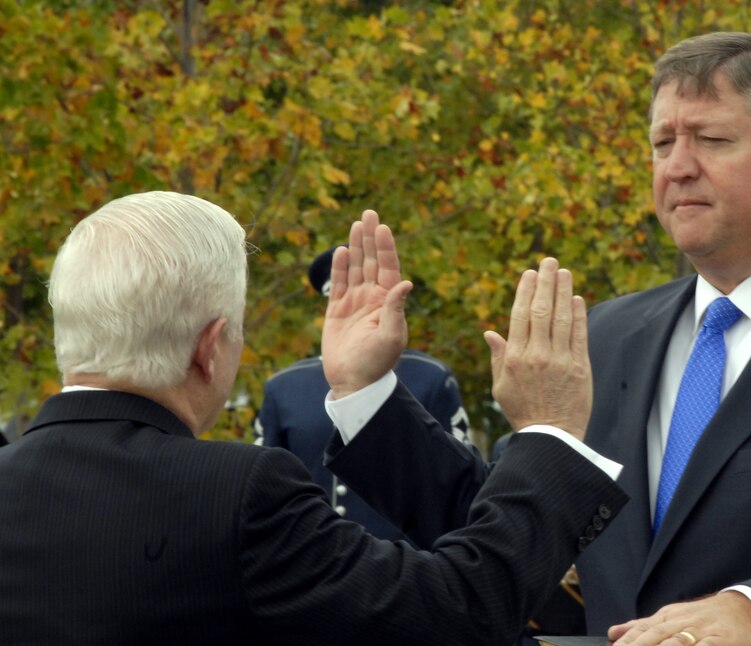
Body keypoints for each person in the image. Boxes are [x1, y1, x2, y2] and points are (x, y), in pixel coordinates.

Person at [338, 32, 751, 645]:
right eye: (663, 144)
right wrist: (364, 392)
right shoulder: (606, 337)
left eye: (712, 139)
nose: (678, 167)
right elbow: (508, 530)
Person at [0, 191, 628, 644]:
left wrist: (361, 390)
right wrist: (549, 430)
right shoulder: (236, 496)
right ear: (209, 347)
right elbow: (458, 612)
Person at [257, 245, 471, 537]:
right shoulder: (284, 386)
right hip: (310, 563)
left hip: (405, 563)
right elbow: (267, 487)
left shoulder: (431, 377)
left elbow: (459, 485)